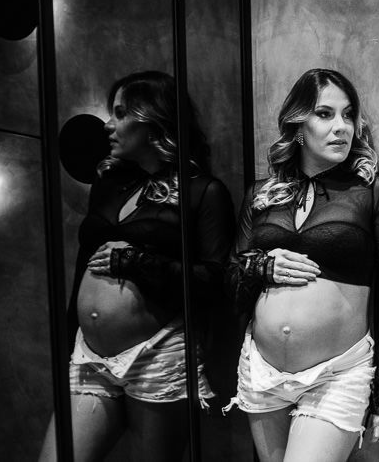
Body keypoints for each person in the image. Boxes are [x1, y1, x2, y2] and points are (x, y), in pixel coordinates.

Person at [225, 68, 379, 462]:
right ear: (298, 126)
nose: (341, 127)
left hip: (338, 374)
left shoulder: (374, 191)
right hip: (261, 370)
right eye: (325, 114)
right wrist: (260, 267)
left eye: (348, 115)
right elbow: (229, 277)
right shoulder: (262, 195)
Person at [39, 71, 234, 462]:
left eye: (121, 113)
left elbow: (214, 281)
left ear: (153, 121)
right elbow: (83, 265)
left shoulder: (203, 191)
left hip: (158, 352)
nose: (108, 125)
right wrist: (69, 338)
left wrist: (136, 262)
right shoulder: (110, 183)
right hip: (90, 355)